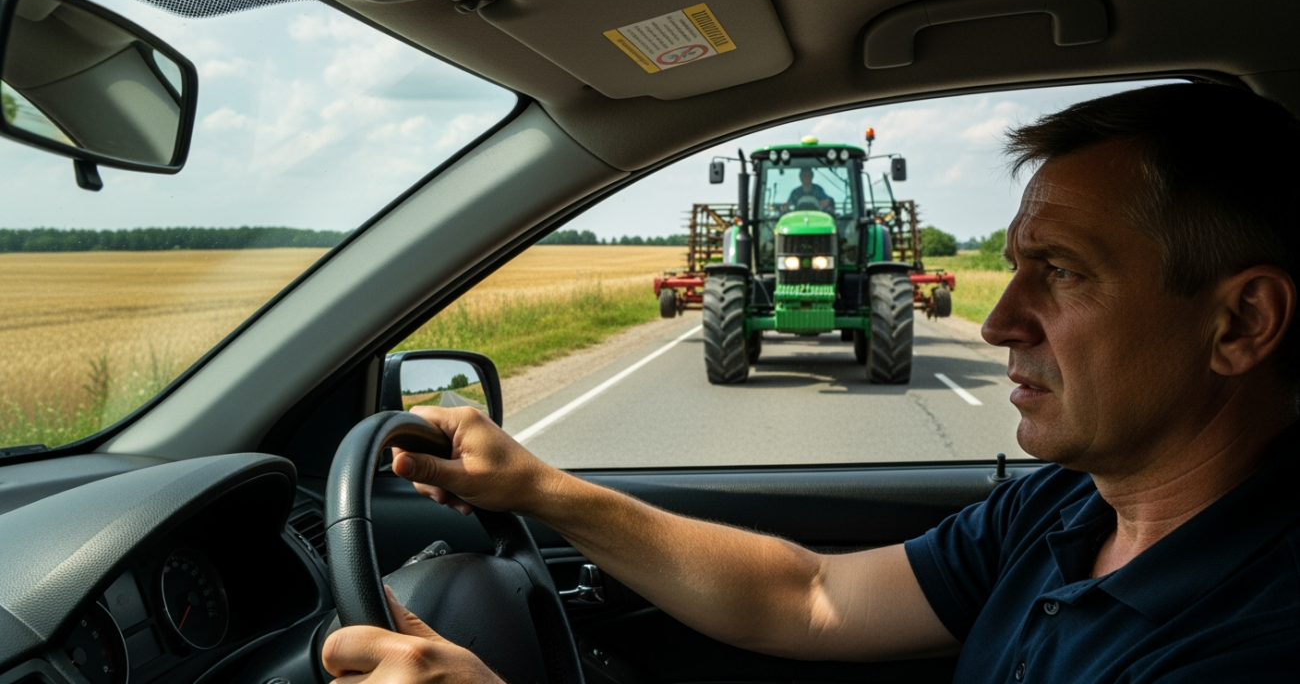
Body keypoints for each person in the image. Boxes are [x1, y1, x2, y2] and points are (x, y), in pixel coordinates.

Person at [321, 83, 1300, 682]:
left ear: (1241, 323)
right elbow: (810, 596)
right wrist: (541, 490)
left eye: (1064, 271)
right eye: (1014, 267)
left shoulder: (1255, 638)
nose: (998, 321)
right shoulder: (1061, 513)